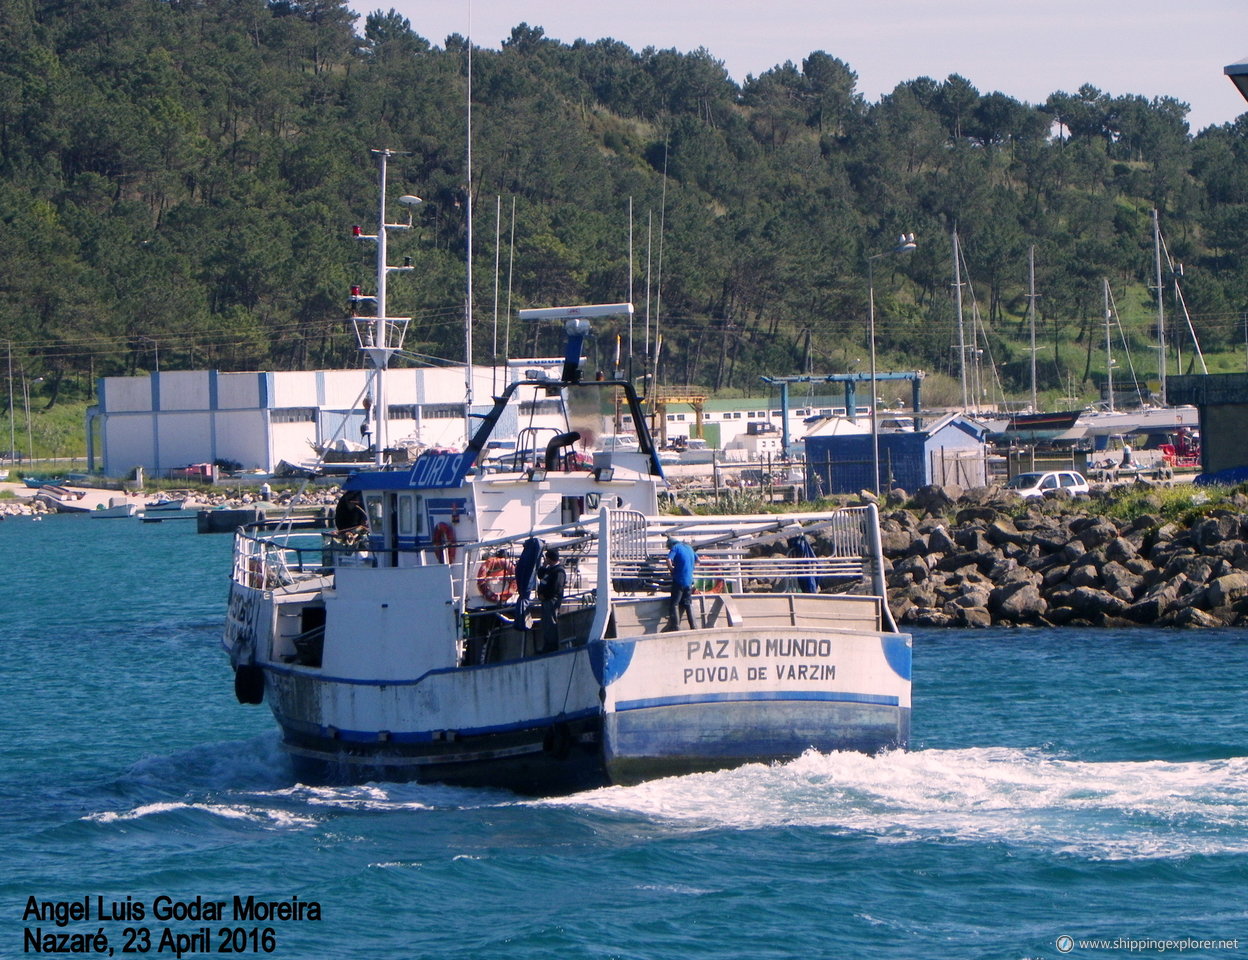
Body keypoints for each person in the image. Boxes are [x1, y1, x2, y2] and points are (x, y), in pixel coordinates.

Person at [536, 546, 566, 653]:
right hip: (545, 599)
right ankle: (546, 645)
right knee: (545, 623)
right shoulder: (549, 569)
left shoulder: (559, 571)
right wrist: (543, 566)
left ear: (550, 558)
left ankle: (552, 646)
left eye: (547, 558)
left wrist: (546, 595)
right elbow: (540, 575)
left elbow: (556, 588)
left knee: (551, 622)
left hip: (551, 600)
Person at [665, 535, 697, 630]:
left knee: (675, 604)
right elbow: (698, 560)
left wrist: (672, 569)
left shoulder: (675, 548)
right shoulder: (689, 547)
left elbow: (668, 559)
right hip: (689, 581)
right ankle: (694, 626)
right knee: (688, 603)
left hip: (679, 580)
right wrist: (690, 568)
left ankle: (676, 627)